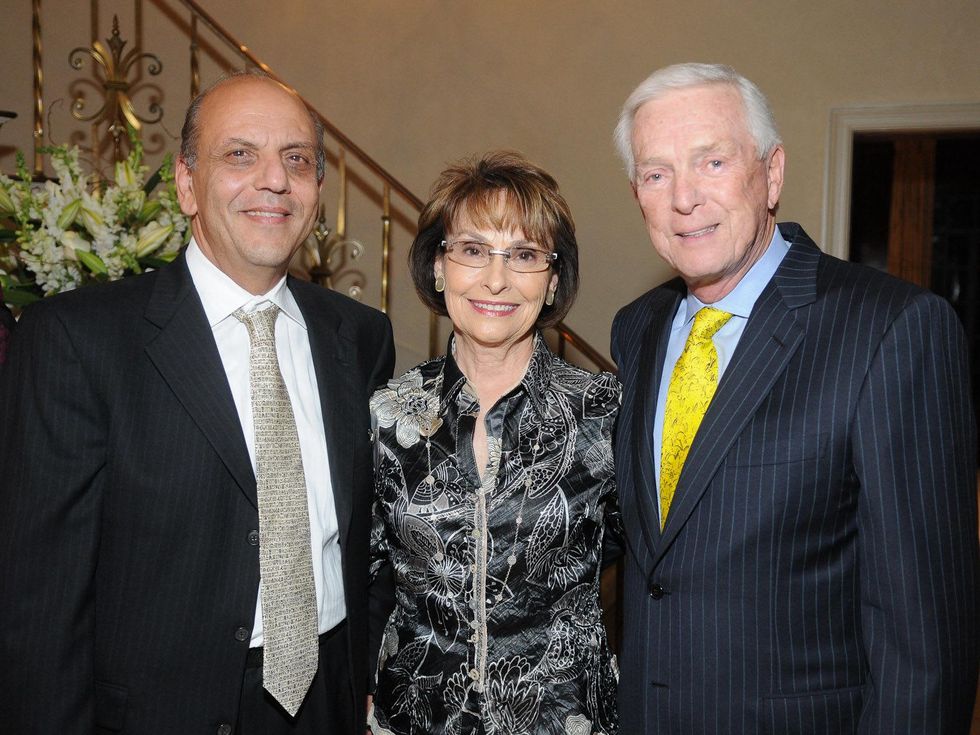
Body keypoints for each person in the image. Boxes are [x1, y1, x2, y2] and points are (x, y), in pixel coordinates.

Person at [0, 70, 395, 734]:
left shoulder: (358, 336)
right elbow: (37, 608)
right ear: (186, 182)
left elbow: (378, 535)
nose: (274, 179)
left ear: (316, 190)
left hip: (330, 697)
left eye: (296, 160)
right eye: (240, 154)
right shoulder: (78, 340)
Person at [610, 62, 979, 734]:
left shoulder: (891, 328)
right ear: (637, 193)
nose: (683, 197)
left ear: (772, 173)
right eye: (656, 173)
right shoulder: (635, 329)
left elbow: (926, 644)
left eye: (712, 161)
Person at [366, 151, 621, 735]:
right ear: (439, 267)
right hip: (414, 719)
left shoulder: (603, 412)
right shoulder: (384, 414)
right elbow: (364, 574)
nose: (496, 279)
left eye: (525, 255)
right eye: (473, 251)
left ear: (553, 280)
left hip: (561, 720)